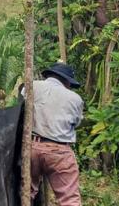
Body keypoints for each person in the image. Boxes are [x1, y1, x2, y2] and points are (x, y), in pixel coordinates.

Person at [25, 62, 84, 206]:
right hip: (59, 151)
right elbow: (76, 123)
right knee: (69, 199)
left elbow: (22, 104)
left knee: (26, 194)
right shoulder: (75, 98)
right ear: (66, 81)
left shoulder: (33, 86)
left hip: (32, 147)